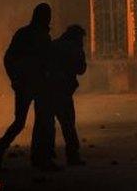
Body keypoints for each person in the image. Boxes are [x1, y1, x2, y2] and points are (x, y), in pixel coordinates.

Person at [0, 3, 58, 171]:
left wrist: (15, 79)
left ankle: (38, 158)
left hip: (33, 85)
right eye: (46, 15)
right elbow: (10, 58)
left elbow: (11, 59)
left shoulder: (28, 34)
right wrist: (15, 78)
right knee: (31, 123)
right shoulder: (35, 36)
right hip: (28, 85)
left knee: (36, 122)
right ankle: (2, 150)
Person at [46, 25, 88, 166]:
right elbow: (81, 69)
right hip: (62, 91)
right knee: (68, 125)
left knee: (48, 125)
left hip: (48, 90)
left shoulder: (54, 44)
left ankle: (47, 156)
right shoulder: (74, 48)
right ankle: (72, 156)